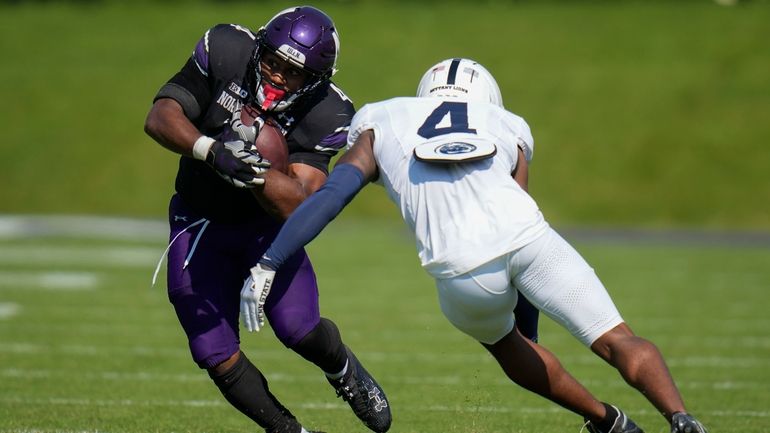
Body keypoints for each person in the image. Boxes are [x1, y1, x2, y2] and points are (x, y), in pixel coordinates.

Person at [239, 58, 710, 433]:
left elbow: (334, 194)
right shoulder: (507, 124)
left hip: (463, 268)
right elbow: (518, 209)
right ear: (486, 97)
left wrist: (270, 260)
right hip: (530, 238)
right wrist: (531, 322)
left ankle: (608, 422)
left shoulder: (381, 118)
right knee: (616, 337)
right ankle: (681, 418)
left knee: (508, 347)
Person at [143, 6, 391, 433]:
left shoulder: (328, 113)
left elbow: (299, 204)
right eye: (273, 61)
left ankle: (344, 370)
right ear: (259, 48)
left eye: (292, 72)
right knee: (212, 348)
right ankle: (286, 429)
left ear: (315, 81)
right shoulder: (224, 49)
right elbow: (161, 116)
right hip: (199, 221)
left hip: (267, 232)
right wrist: (212, 150)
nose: (277, 75)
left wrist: (255, 171)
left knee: (298, 328)